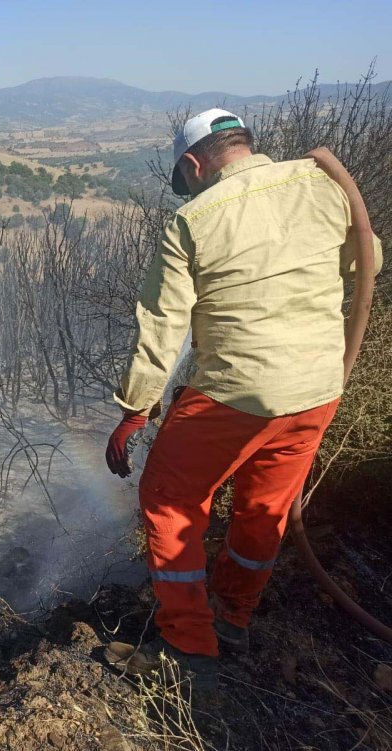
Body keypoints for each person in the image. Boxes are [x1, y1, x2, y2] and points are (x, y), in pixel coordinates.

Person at [103, 108, 383, 692]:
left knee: (169, 497)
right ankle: (233, 616)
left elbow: (162, 324)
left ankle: (187, 643)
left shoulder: (193, 218)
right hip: (316, 390)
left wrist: (136, 408)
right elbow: (369, 260)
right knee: (264, 508)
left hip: (236, 393)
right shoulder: (322, 185)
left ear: (192, 164)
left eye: (187, 179)